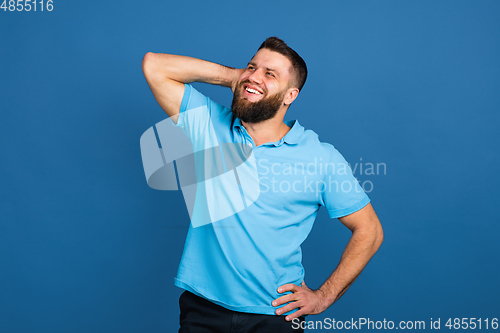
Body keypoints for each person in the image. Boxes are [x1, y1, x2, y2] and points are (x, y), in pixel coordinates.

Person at [142, 37, 383, 333]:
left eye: (270, 74)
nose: (255, 76)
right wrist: (236, 77)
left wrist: (324, 297)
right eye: (252, 67)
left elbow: (369, 230)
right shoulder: (210, 125)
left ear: (289, 95)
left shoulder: (320, 157)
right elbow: (155, 66)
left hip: (276, 315)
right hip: (202, 310)